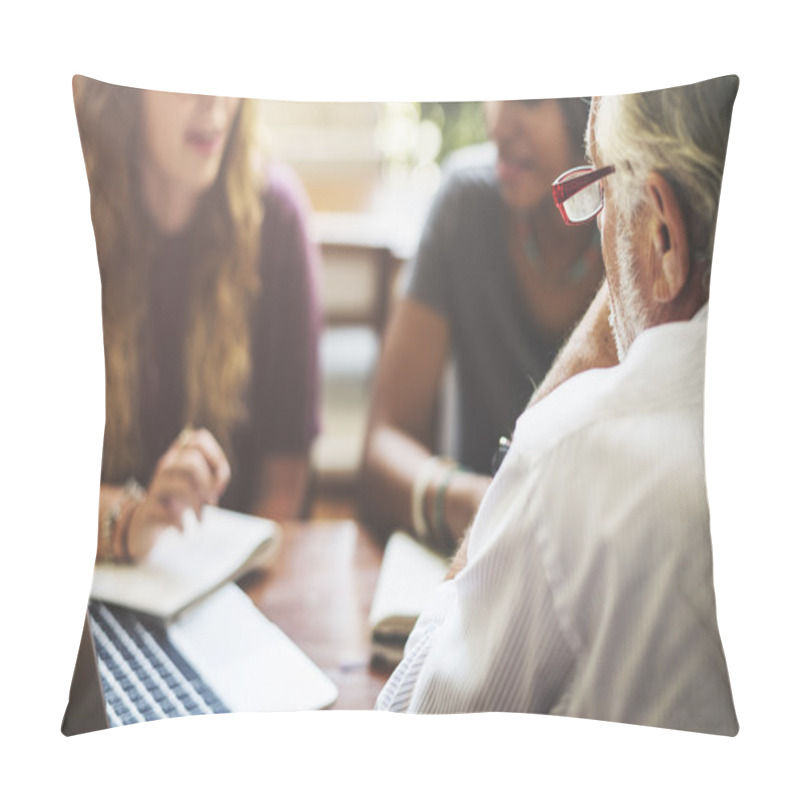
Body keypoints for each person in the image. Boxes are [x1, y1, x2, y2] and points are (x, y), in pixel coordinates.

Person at [376, 76, 740, 736]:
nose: (496, 120)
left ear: (662, 232)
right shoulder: (468, 206)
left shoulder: (573, 452)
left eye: (604, 192)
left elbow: (411, 723)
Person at [73, 77, 322, 564]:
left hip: (227, 588)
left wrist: (232, 590)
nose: (215, 101)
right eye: (187, 72)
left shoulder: (278, 219)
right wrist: (134, 520)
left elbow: (285, 478)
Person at [360, 99, 604, 552]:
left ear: (590, 110)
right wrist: (468, 501)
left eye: (529, 102)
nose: (499, 124)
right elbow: (381, 446)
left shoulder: (637, 224)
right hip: (483, 550)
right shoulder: (465, 205)